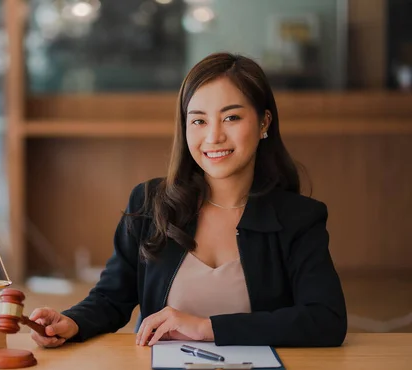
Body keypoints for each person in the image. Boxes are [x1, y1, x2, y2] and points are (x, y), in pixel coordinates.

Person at [28, 52, 347, 349]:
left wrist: (207, 327)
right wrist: (70, 322)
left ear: (264, 122)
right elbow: (112, 298)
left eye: (231, 118)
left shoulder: (299, 218)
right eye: (199, 121)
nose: (213, 137)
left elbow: (325, 320)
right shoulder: (150, 203)